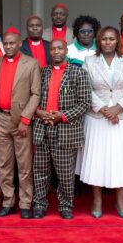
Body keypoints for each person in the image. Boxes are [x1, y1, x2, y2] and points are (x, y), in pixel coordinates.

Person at [81, 26, 123, 219]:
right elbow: (85, 88)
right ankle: (97, 201)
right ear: (99, 41)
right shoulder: (89, 61)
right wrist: (104, 109)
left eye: (111, 39)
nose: (108, 42)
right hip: (97, 118)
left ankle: (120, 202)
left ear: (118, 42)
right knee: (97, 160)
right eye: (104, 39)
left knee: (121, 160)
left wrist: (118, 108)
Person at [32, 39, 91, 220]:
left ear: (66, 50)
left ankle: (66, 205)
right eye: (53, 49)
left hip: (65, 129)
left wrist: (62, 116)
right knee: (40, 171)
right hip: (42, 128)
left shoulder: (78, 73)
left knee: (65, 173)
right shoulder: (42, 73)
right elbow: (33, 97)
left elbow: (85, 103)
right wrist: (38, 112)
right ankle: (40, 205)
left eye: (60, 48)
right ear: (49, 51)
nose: (56, 51)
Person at [0, 28, 41, 219]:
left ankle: (26, 203)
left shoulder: (31, 64)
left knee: (24, 165)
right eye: (6, 43)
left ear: (20, 43)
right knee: (4, 164)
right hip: (2, 118)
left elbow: (36, 93)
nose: (9, 46)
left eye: (12, 43)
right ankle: (7, 202)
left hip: (21, 121)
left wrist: (26, 119)